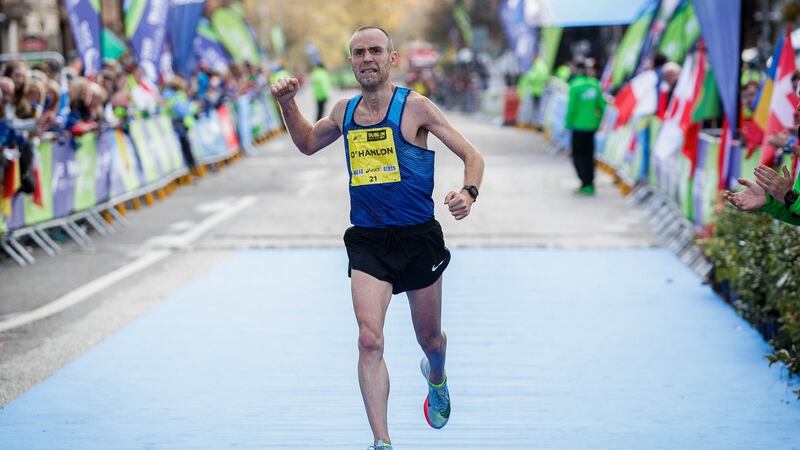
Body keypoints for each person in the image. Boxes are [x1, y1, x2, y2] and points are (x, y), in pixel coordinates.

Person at [270, 26, 484, 450]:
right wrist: (287, 104)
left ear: (392, 59)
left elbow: (472, 156)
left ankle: (436, 375)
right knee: (369, 339)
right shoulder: (344, 112)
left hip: (418, 237)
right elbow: (308, 142)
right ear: (350, 62)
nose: (367, 58)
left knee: (430, 339)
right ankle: (381, 441)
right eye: (358, 52)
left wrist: (468, 194)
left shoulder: (416, 107)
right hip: (368, 240)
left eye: (375, 51)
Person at [565, 59, 605, 196]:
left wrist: (567, 124)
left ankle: (584, 183)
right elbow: (602, 106)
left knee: (578, 156)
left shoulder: (575, 86)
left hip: (578, 126)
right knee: (589, 155)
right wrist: (598, 122)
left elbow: (572, 108)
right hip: (591, 127)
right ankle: (590, 184)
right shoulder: (595, 85)